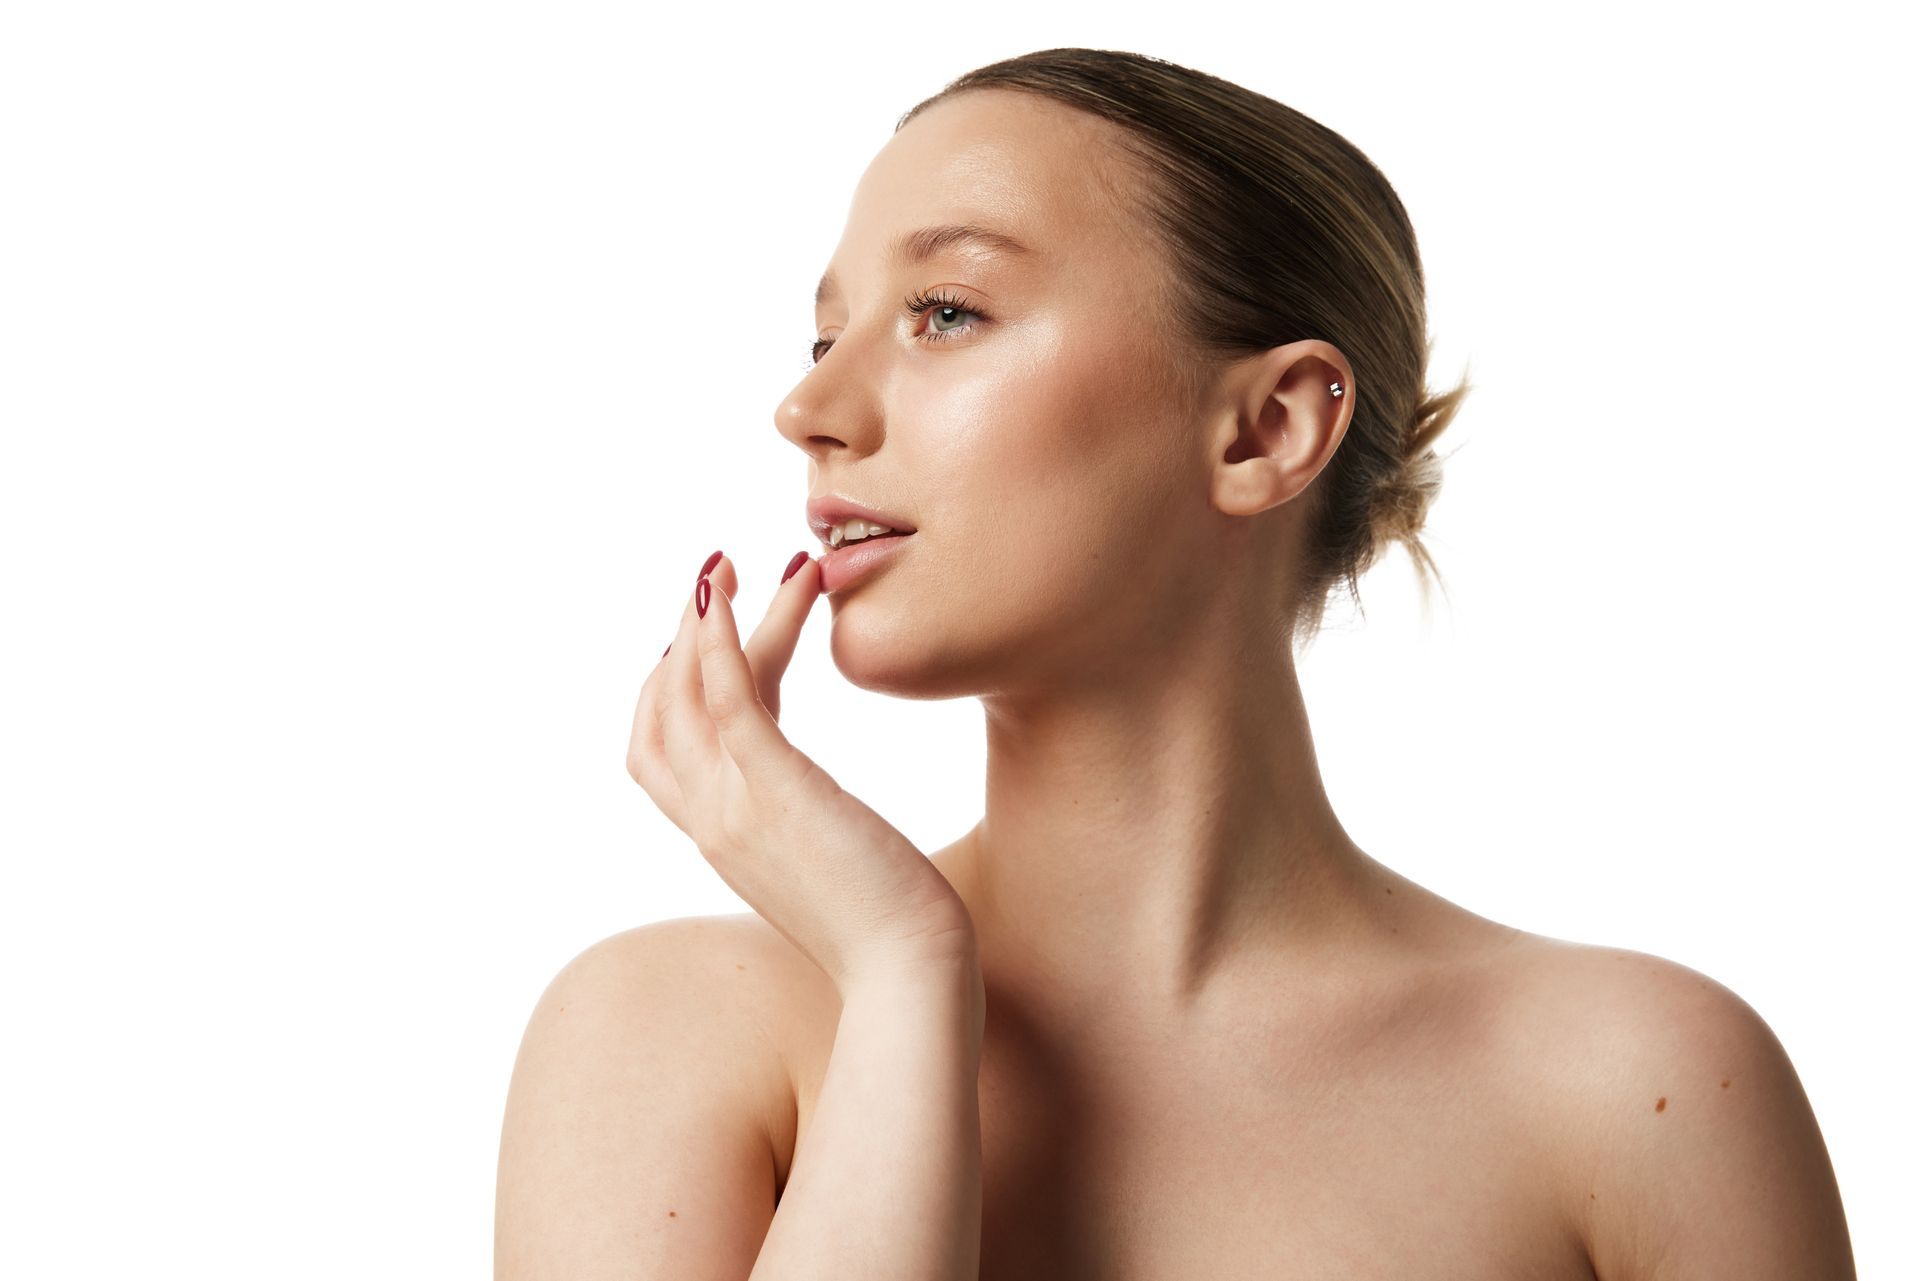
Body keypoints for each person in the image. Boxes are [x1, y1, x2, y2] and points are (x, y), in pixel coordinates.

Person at [494, 48, 1856, 1280]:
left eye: (947, 311)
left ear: (1266, 429)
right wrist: (904, 975)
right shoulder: (662, 1039)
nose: (808, 409)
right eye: (823, 336)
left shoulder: (1644, 1092)